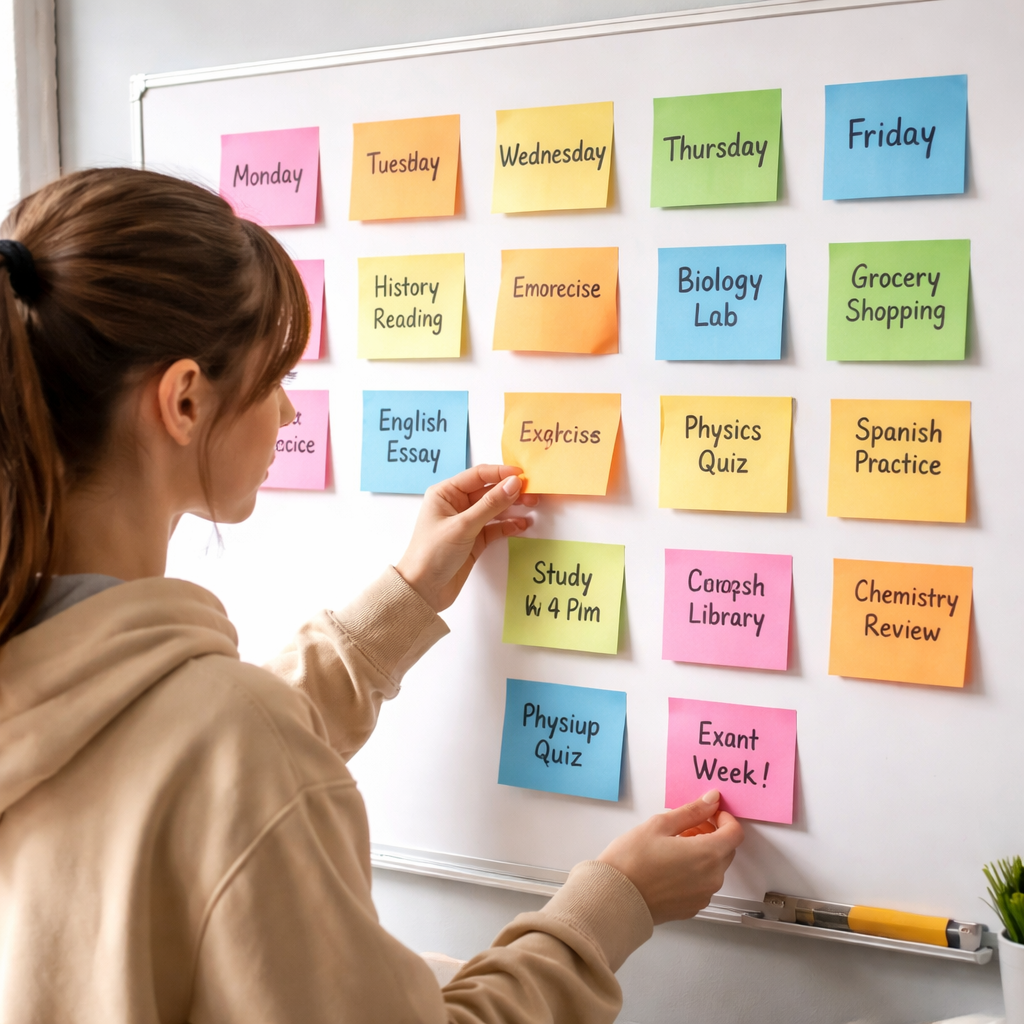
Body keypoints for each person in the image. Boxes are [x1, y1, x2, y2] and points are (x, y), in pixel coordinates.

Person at [0, 167, 744, 1023]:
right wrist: (615, 901)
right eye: (273, 375)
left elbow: (162, 751)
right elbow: (218, 756)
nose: (287, 415)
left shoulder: (50, 675)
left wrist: (405, 599)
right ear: (184, 398)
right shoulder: (231, 742)